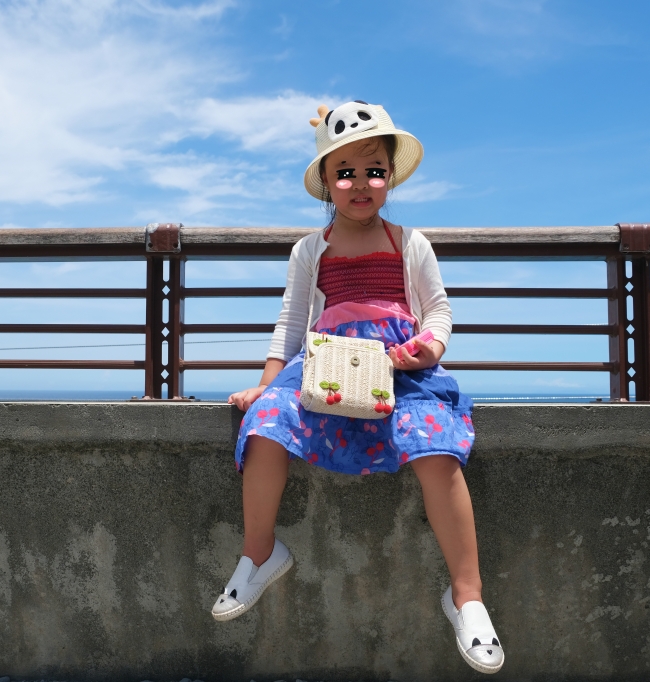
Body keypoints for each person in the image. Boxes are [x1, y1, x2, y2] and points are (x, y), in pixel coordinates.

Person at [214, 100, 504, 675]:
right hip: (324, 365)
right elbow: (291, 325)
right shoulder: (309, 250)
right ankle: (259, 553)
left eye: (374, 171)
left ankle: (467, 596)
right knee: (266, 427)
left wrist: (430, 348)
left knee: (436, 447)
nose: (360, 184)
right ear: (326, 182)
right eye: (344, 172)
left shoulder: (409, 242)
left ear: (390, 176)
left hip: (400, 370)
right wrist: (266, 386)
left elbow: (438, 311)